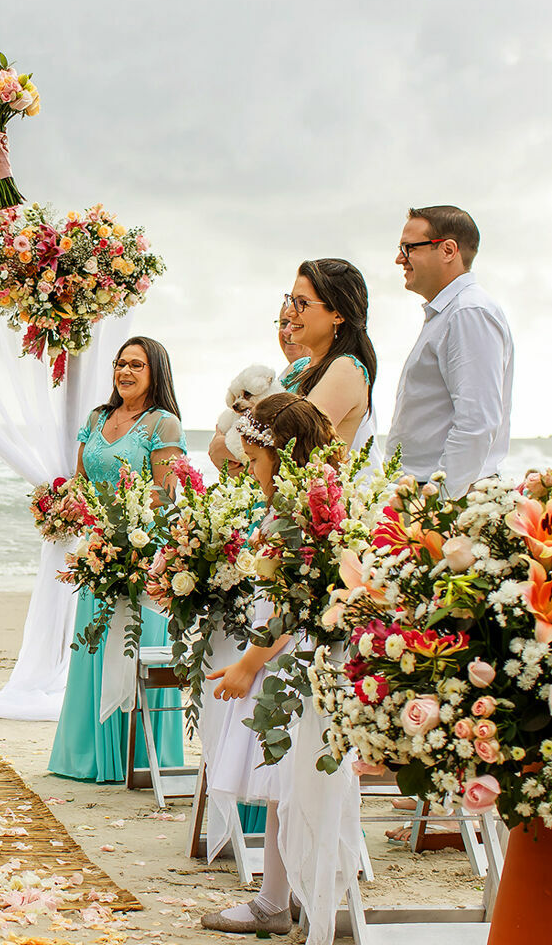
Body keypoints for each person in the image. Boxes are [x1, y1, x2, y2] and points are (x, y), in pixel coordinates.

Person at [202, 393, 363, 940]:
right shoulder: (316, 500)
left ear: (283, 453)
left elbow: (291, 607)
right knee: (287, 784)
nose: (250, 471)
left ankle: (273, 901)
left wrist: (248, 665)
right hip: (300, 657)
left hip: (290, 663)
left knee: (283, 782)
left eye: (254, 460)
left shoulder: (297, 514)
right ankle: (287, 890)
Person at [48, 337, 185, 783]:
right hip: (98, 551)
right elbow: (81, 481)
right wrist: (64, 506)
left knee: (134, 649)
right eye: (120, 363)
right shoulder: (97, 418)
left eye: (136, 365)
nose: (125, 372)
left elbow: (166, 493)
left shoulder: (163, 423)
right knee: (93, 647)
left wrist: (122, 519)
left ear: (155, 371)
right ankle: (90, 757)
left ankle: (138, 759)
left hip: (142, 554)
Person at [385, 205, 514, 497]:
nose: (399, 259)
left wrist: (439, 500)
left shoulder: (468, 312)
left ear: (448, 250)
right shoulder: (450, 313)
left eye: (408, 248)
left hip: (444, 500)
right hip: (424, 493)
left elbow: (476, 422)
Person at [210, 259, 378, 471]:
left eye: (302, 303)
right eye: (291, 300)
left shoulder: (346, 369)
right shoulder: (298, 368)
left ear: (338, 314)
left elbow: (293, 454)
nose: (290, 312)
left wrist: (223, 446)